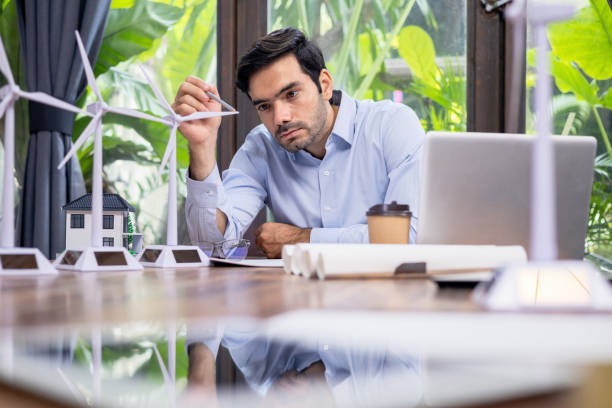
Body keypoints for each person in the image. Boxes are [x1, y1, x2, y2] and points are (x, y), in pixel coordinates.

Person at [173, 27, 424, 258]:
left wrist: (301, 239)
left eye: (291, 94)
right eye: (264, 106)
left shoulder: (391, 125)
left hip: (387, 300)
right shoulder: (262, 147)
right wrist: (202, 146)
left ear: (324, 85)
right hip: (297, 301)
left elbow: (410, 238)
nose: (280, 117)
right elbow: (214, 248)